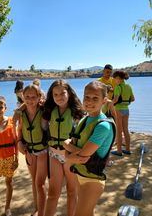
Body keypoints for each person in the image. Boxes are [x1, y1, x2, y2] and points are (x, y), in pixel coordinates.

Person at [63, 81, 116, 216]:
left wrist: (67, 151)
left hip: (92, 181)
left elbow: (84, 156)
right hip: (80, 175)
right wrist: (69, 149)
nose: (89, 101)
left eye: (95, 98)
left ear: (104, 101)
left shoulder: (103, 126)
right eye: (87, 97)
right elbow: (76, 149)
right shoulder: (85, 119)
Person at [42, 80, 85, 216]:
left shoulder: (77, 113)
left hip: (70, 157)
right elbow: (43, 127)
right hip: (54, 154)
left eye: (62, 93)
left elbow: (83, 135)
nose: (59, 97)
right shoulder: (49, 111)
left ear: (69, 93)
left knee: (72, 192)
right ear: (51, 96)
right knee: (53, 193)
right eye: (55, 94)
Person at [16, 84, 48, 216]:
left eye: (33, 97)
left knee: (39, 183)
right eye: (27, 97)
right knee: (34, 181)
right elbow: (19, 130)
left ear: (39, 97)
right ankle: (37, 209)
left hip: (43, 150)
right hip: (29, 151)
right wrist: (19, 142)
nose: (30, 100)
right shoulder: (21, 113)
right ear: (23, 97)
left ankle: (42, 212)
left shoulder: (44, 111)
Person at [110, 70, 135, 156]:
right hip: (126, 110)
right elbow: (132, 99)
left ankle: (119, 151)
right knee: (126, 130)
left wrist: (110, 103)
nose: (114, 80)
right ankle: (127, 149)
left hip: (118, 110)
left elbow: (116, 99)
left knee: (119, 131)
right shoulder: (129, 86)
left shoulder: (118, 87)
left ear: (119, 78)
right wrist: (125, 101)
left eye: (115, 78)